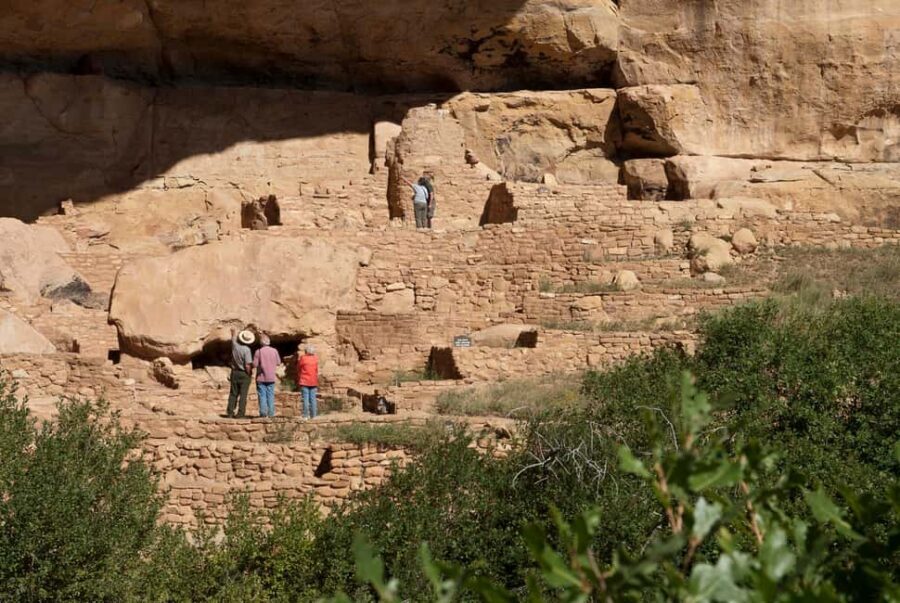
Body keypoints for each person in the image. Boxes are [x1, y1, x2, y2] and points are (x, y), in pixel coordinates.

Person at [226, 328, 254, 418]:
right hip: (243, 373)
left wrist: (233, 332)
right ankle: (240, 413)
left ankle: (230, 412)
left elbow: (233, 339)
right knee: (243, 394)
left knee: (233, 393)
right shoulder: (247, 350)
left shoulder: (235, 346)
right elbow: (247, 365)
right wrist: (249, 373)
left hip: (234, 372)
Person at [252, 334, 281, 418]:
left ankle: (263, 413)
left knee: (262, 396)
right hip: (271, 377)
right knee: (270, 395)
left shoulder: (259, 351)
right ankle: (271, 413)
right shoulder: (274, 351)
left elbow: (254, 364)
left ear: (261, 343)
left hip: (261, 377)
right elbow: (278, 362)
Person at [297, 344, 319, 419]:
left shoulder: (303, 358)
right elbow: (316, 370)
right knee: (313, 399)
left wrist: (300, 375)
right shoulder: (315, 359)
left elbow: (299, 367)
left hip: (304, 380)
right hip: (313, 381)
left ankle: (305, 415)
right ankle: (313, 415)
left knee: (305, 399)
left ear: (306, 351)